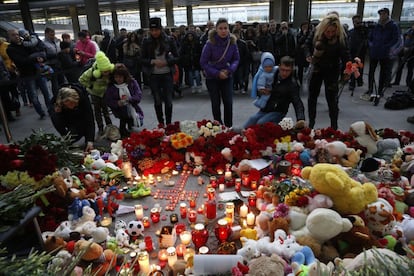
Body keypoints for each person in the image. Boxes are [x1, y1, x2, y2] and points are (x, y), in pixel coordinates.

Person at [304, 13, 351, 130]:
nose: (330, 34)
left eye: (333, 32)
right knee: (312, 97)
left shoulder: (341, 37)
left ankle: (334, 126)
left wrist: (348, 69)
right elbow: (306, 45)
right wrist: (308, 55)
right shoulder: (316, 32)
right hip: (317, 69)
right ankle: (311, 123)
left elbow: (346, 55)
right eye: (327, 31)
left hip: (332, 70)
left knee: (332, 100)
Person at [243, 56, 305, 129]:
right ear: (279, 67)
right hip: (266, 108)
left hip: (278, 111)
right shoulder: (273, 73)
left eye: (287, 71)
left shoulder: (292, 84)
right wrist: (260, 91)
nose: (284, 73)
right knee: (249, 123)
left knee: (262, 123)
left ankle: (277, 129)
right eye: (283, 70)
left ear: (292, 70)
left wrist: (300, 118)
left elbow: (297, 102)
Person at [200, 17, 240, 128]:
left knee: (228, 103)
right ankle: (217, 126)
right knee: (216, 103)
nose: (223, 31)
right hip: (212, 78)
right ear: (216, 29)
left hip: (227, 76)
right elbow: (203, 62)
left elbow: (236, 59)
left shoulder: (232, 42)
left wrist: (229, 70)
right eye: (220, 28)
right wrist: (217, 73)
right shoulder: (209, 43)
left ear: (229, 29)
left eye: (225, 28)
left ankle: (228, 127)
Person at [140, 17, 179, 127]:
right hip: (153, 75)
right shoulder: (146, 42)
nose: (154, 32)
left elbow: (177, 57)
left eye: (156, 30)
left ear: (160, 29)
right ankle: (161, 123)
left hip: (167, 74)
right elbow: (141, 59)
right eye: (152, 30)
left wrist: (166, 62)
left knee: (168, 100)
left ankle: (169, 123)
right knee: (157, 100)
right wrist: (152, 61)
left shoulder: (169, 40)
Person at [7, 29, 50, 119]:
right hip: (26, 74)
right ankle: (41, 113)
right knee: (33, 96)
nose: (16, 36)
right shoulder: (11, 49)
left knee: (46, 92)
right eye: (13, 35)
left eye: (17, 34)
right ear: (9, 37)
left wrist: (39, 58)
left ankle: (50, 109)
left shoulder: (25, 43)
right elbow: (21, 61)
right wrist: (34, 58)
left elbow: (37, 51)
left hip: (37, 70)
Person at [361, 7, 400, 101]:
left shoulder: (393, 26)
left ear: (387, 14)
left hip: (385, 53)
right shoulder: (376, 25)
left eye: (383, 14)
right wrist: (371, 45)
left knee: (383, 72)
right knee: (371, 71)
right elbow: (370, 37)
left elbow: (395, 38)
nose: (381, 16)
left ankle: (380, 90)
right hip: (374, 51)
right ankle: (370, 89)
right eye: (380, 14)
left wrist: (387, 47)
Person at [50, 84, 95, 152]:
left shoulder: (83, 97)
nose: (73, 106)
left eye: (75, 103)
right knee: (70, 138)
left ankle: (87, 139)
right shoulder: (57, 103)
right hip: (69, 120)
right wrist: (65, 135)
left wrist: (90, 140)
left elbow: (90, 119)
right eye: (71, 104)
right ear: (64, 102)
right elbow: (57, 122)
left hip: (81, 118)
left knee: (85, 128)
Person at [79, 51, 113, 135]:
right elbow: (81, 79)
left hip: (104, 93)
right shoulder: (91, 72)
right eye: (105, 72)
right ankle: (100, 128)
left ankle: (110, 126)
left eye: (108, 71)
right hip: (94, 93)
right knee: (97, 111)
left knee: (106, 110)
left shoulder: (109, 71)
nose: (107, 73)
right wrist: (89, 86)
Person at [105, 63, 144, 137]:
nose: (118, 79)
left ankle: (130, 124)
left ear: (124, 76)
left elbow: (138, 94)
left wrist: (129, 99)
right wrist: (117, 103)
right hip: (119, 109)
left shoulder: (132, 83)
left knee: (132, 120)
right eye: (116, 77)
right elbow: (108, 100)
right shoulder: (111, 87)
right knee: (123, 117)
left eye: (120, 77)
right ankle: (123, 129)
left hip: (132, 106)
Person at [348, 15, 368, 91]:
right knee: (352, 67)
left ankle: (359, 80)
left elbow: (367, 39)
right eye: (355, 22)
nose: (356, 23)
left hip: (361, 52)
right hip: (352, 52)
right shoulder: (351, 32)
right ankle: (352, 82)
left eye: (358, 22)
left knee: (360, 67)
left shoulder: (364, 31)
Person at [43, 27, 64, 97]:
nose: (53, 36)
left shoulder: (57, 41)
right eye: (51, 34)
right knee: (55, 83)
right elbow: (44, 56)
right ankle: (56, 98)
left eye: (53, 34)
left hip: (60, 64)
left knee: (62, 81)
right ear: (46, 34)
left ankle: (64, 95)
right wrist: (56, 54)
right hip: (51, 65)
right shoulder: (43, 43)